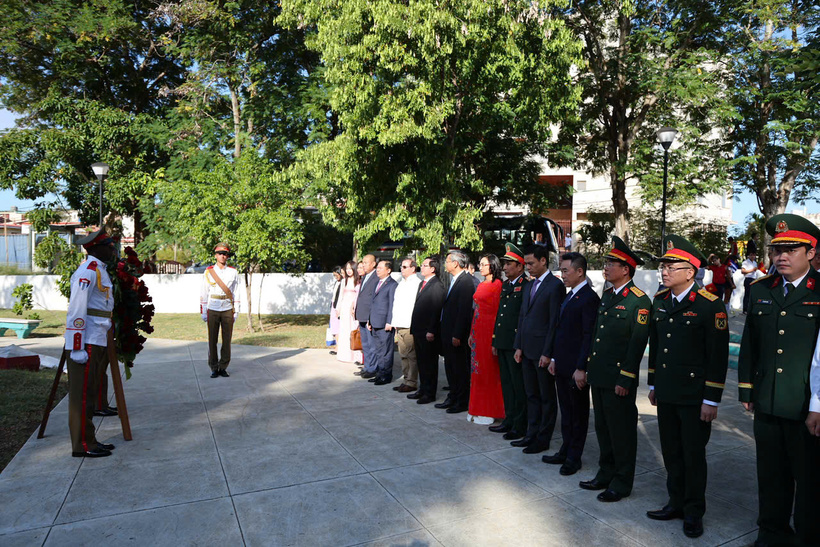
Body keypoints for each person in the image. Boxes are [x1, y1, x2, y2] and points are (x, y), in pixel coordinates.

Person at [738, 214, 820, 547]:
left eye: (791, 249)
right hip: (768, 400)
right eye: (776, 250)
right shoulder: (760, 290)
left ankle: (808, 536)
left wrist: (818, 405)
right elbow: (750, 344)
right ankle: (771, 532)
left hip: (806, 405)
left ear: (811, 252)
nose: (781, 256)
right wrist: (747, 389)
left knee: (810, 480)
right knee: (771, 475)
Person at [645, 235, 729, 539]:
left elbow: (717, 358)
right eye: (663, 266)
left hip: (695, 397)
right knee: (671, 452)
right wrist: (654, 383)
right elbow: (657, 347)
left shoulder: (710, 306)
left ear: (690, 272)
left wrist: (712, 400)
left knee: (693, 455)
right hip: (667, 392)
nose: (664, 271)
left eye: (671, 266)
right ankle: (675, 502)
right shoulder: (660, 301)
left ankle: (694, 511)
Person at [581, 236, 651, 503]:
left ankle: (622, 482)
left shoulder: (639, 301)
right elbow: (598, 336)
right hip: (599, 374)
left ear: (627, 269)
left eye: (612, 263)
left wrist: (627, 377)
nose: (606, 267)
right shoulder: (608, 295)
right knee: (602, 427)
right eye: (606, 261)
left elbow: (636, 344)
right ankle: (605, 472)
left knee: (621, 432)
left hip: (619, 378)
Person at [544, 252, 600, 476]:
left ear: (580, 272)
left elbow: (588, 336)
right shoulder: (570, 296)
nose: (562, 274)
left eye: (566, 270)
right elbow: (562, 331)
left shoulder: (589, 298)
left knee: (578, 415)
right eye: (561, 270)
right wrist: (555, 359)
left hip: (576, 368)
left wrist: (582, 368)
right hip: (562, 365)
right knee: (566, 413)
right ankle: (565, 449)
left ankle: (574, 457)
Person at [64, 228, 116, 458]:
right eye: (109, 246)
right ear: (95, 248)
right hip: (86, 340)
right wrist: (76, 346)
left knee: (90, 392)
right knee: (82, 396)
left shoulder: (99, 270)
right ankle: (82, 445)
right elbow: (76, 308)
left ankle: (90, 439)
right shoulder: (88, 270)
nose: (113, 249)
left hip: (96, 336)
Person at [512, 244, 564, 454]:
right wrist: (518, 346)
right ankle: (531, 433)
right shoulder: (528, 286)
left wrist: (548, 352)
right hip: (526, 351)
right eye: (526, 264)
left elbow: (554, 323)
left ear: (544, 261)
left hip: (542, 352)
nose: (528, 268)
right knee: (531, 395)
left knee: (546, 397)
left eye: (531, 263)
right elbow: (522, 317)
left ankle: (543, 438)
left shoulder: (555, 286)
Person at [489, 243, 529, 440]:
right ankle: (509, 419)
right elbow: (501, 315)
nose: (504, 268)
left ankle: (519, 424)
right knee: (506, 384)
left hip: (515, 344)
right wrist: (495, 339)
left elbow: (522, 318)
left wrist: (519, 345)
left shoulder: (526, 285)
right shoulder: (507, 285)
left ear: (520, 266)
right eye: (504, 264)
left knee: (517, 385)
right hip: (503, 342)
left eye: (508, 264)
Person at [436, 251, 476, 413]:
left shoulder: (466, 281)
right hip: (447, 331)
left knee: (459, 369)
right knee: (451, 368)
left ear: (456, 263)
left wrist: (458, 334)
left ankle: (461, 401)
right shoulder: (454, 280)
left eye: (447, 261)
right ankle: (452, 397)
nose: (445, 264)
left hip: (456, 334)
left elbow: (464, 311)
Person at [467, 254, 504, 424]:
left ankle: (490, 410)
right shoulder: (481, 284)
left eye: (484, 264)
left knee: (489, 372)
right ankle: (476, 407)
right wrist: (471, 333)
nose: (480, 267)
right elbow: (476, 310)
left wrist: (496, 338)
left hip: (490, 331)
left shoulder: (498, 286)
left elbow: (499, 314)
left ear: (493, 266)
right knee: (477, 371)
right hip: (477, 331)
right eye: (479, 264)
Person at [200, 243, 241, 378]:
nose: (222, 256)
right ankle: (213, 367)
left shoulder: (233, 272)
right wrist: (203, 310)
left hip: (227, 308)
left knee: (227, 340)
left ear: (227, 256)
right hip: (213, 307)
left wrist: (237, 310)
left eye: (225, 254)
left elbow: (236, 291)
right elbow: (204, 291)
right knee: (212, 339)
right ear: (215, 255)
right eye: (220, 253)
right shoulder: (209, 271)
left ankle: (223, 366)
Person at [409, 256, 446, 404]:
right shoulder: (423, 284)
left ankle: (429, 393)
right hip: (418, 329)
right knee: (421, 362)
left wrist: (432, 330)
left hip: (428, 331)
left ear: (433, 268)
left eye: (424, 265)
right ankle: (423, 389)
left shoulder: (437, 285)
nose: (421, 268)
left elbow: (436, 309)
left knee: (429, 363)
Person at [391, 257, 421, 393]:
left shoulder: (417, 284)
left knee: (411, 355)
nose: (401, 269)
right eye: (401, 267)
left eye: (404, 267)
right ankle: (406, 379)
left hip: (409, 324)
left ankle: (412, 381)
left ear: (413, 268)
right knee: (403, 354)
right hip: (399, 323)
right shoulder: (402, 283)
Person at [367, 259, 398, 385]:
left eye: (380, 268)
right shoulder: (377, 283)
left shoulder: (392, 284)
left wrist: (390, 321)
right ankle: (380, 373)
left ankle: (386, 375)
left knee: (386, 350)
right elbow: (373, 303)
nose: (377, 270)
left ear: (388, 270)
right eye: (377, 268)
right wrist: (369, 319)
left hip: (385, 323)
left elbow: (392, 305)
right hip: (375, 321)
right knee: (378, 350)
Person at [355, 254, 379, 379]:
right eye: (362, 262)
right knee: (365, 344)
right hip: (362, 316)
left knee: (371, 344)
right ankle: (368, 366)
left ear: (373, 264)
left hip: (369, 317)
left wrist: (370, 318)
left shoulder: (376, 278)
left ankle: (373, 368)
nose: (363, 265)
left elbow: (373, 300)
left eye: (366, 262)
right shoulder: (365, 277)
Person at [336, 261, 362, 364]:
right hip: (344, 308)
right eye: (347, 268)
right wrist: (338, 309)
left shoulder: (358, 280)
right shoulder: (344, 281)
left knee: (353, 330)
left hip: (353, 309)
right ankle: (344, 355)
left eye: (350, 268)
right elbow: (340, 297)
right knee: (344, 330)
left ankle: (356, 355)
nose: (348, 270)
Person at [328, 266, 343, 355]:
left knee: (337, 327)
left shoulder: (343, 283)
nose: (335, 277)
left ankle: (338, 347)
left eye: (336, 275)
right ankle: (337, 345)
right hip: (333, 306)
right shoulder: (336, 283)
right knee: (334, 327)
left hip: (338, 307)